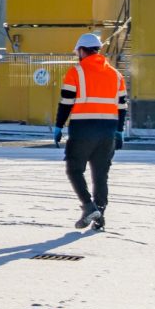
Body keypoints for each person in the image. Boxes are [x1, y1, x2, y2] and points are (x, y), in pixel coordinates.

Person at [51, 32, 129, 230]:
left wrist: (59, 126)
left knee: (74, 169)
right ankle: (99, 215)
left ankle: (88, 206)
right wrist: (119, 132)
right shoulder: (116, 74)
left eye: (78, 51)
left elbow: (66, 103)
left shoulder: (76, 72)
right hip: (108, 131)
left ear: (82, 50)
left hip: (83, 130)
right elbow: (122, 106)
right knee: (100, 175)